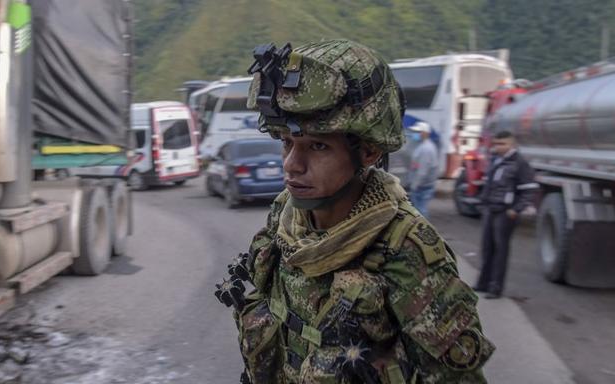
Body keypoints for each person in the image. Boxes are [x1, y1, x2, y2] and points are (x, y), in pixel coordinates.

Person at [215, 39, 492, 384]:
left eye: (318, 146)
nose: (292, 165)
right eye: (286, 142)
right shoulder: (285, 216)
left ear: (370, 152)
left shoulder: (407, 252)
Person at [475, 130, 539, 299]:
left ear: (512, 145)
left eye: (502, 144)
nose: (498, 147)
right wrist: (483, 203)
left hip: (505, 212)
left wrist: (515, 210)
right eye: (496, 144)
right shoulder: (496, 160)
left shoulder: (520, 163)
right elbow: (489, 184)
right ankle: (483, 283)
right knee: (487, 248)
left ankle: (495, 288)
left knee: (500, 251)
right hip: (491, 209)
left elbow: (529, 191)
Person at [406, 121, 439, 219]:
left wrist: (414, 185)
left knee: (420, 210)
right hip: (422, 185)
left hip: (422, 186)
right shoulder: (423, 146)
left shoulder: (426, 149)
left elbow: (422, 171)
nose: (414, 134)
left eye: (417, 132)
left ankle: (422, 230)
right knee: (419, 209)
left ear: (425, 133)